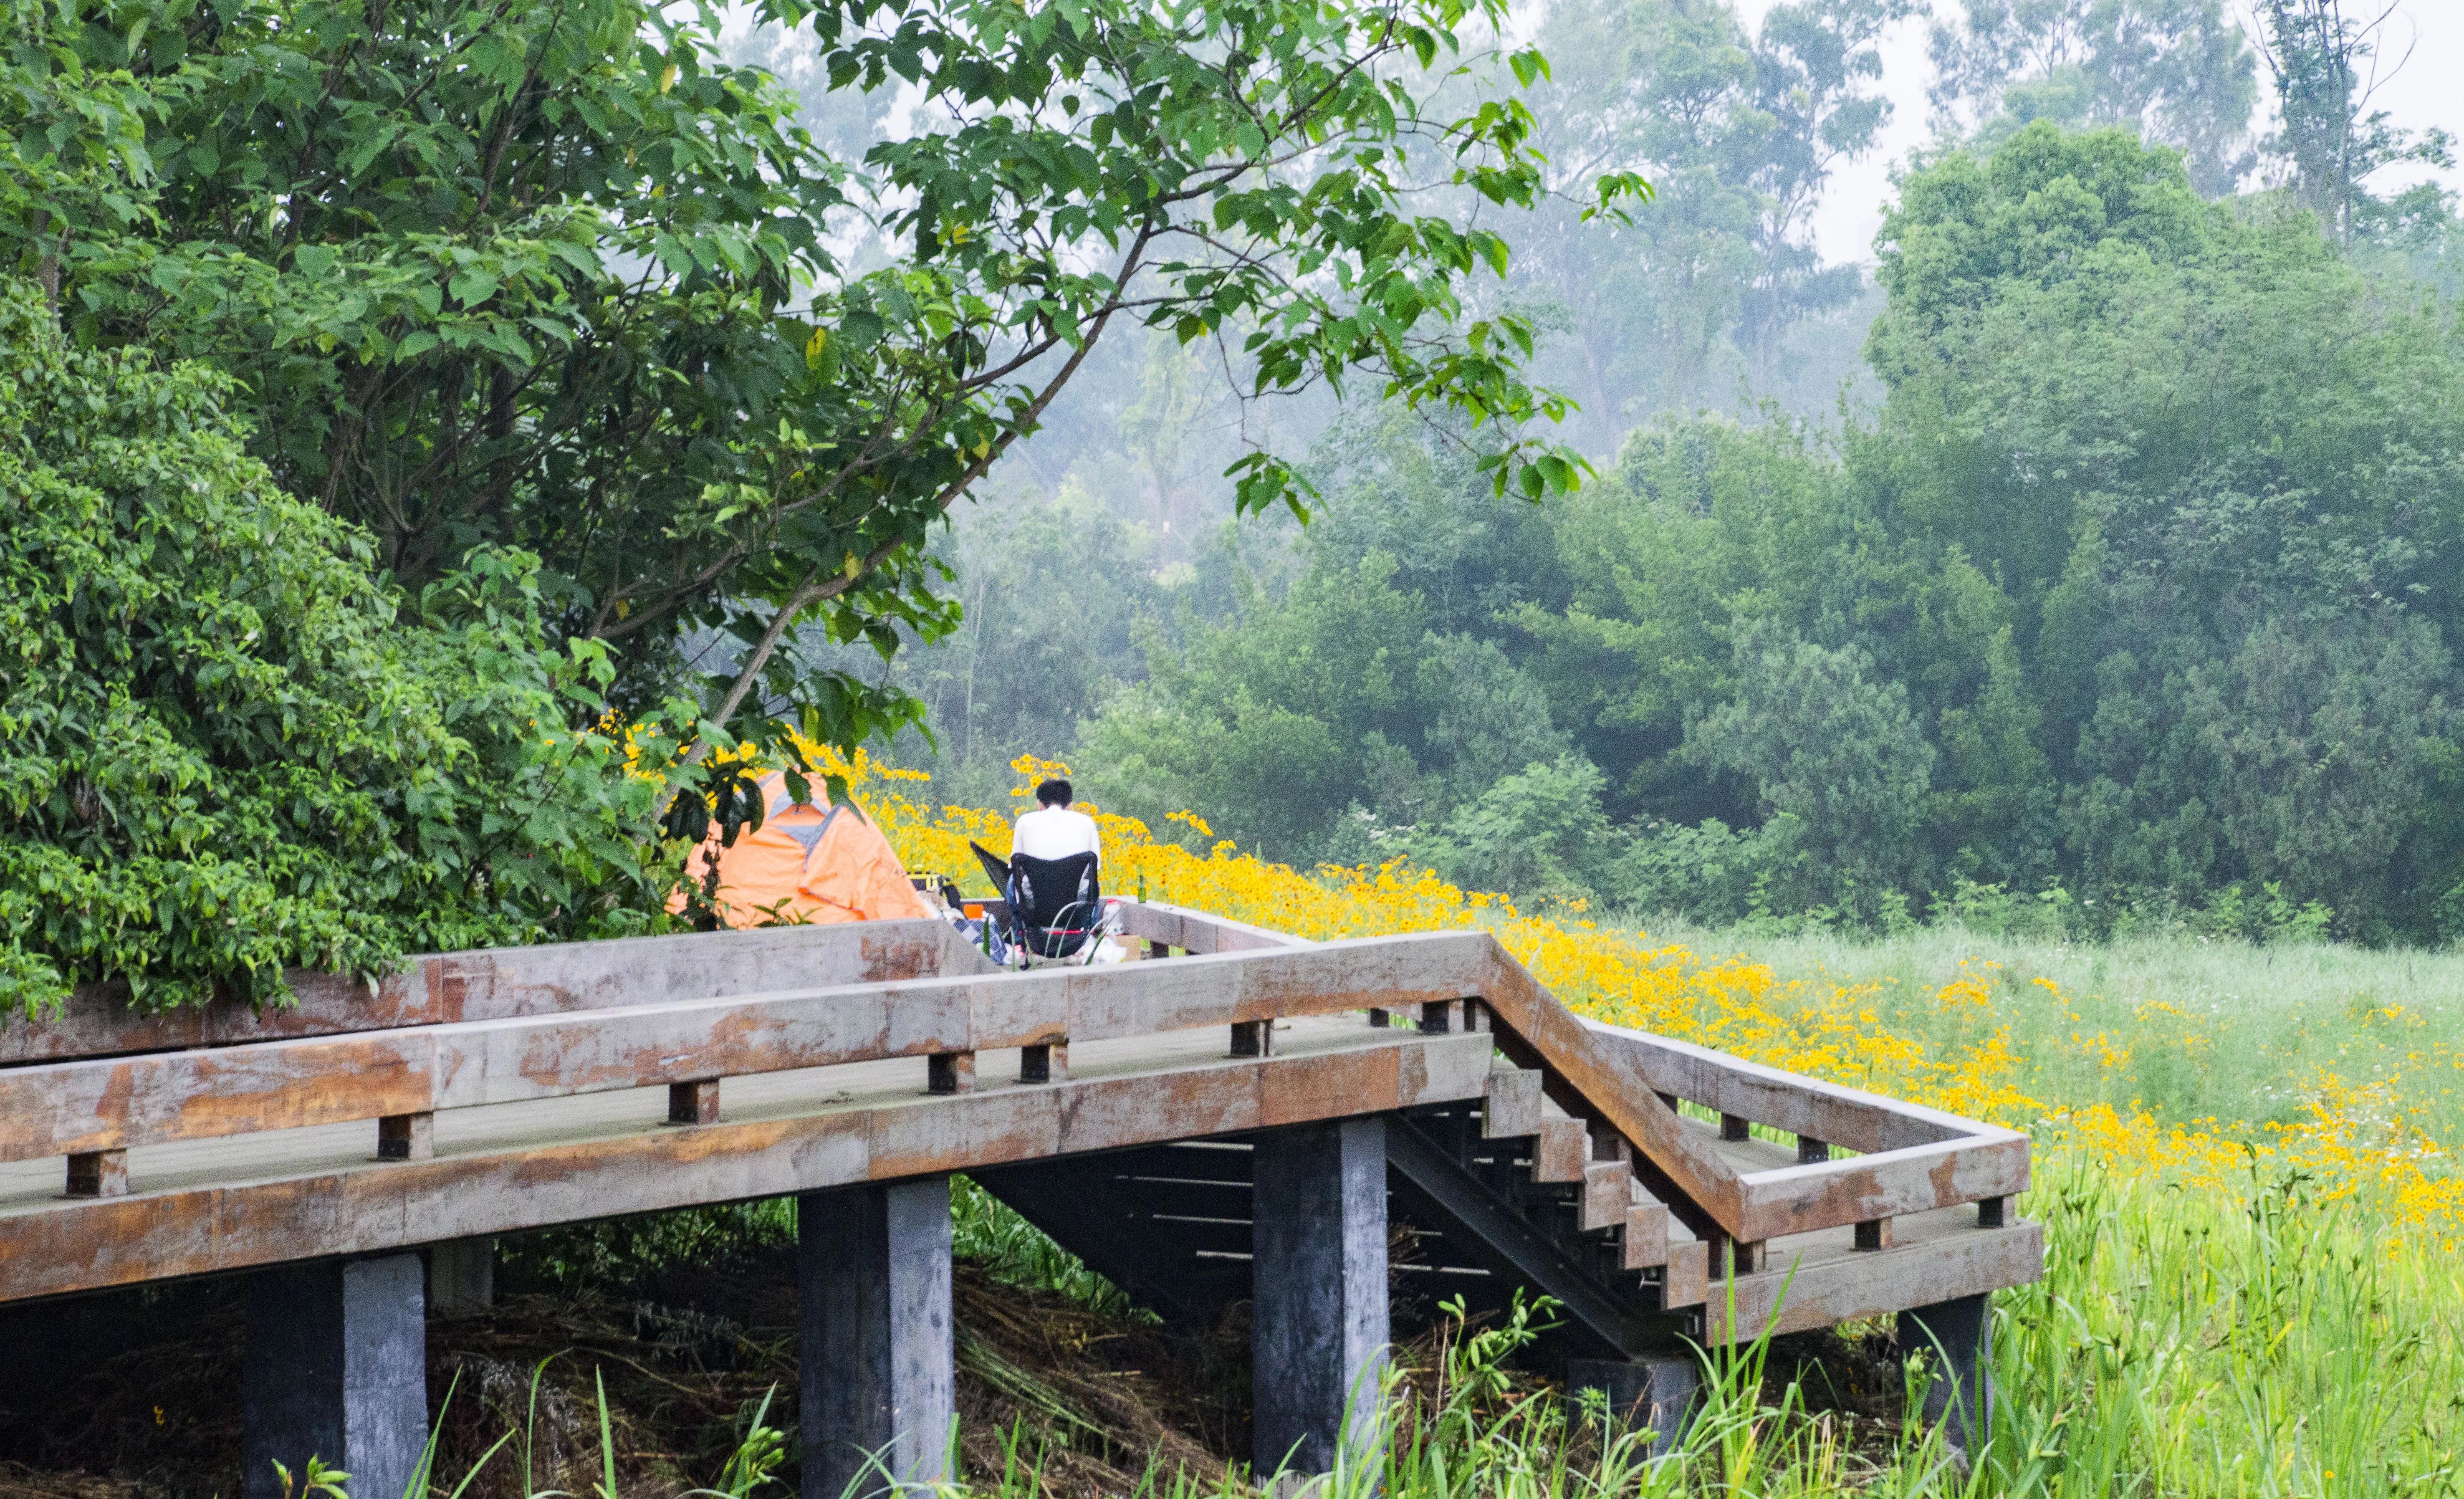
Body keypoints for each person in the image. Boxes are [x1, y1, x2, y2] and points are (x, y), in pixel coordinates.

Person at [1013, 778, 1102, 865]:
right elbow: (1095, 865)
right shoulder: (1087, 822)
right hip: (1075, 876)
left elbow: (1015, 863)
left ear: (1039, 804)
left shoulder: (1024, 822)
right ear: (1070, 806)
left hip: (1034, 876)